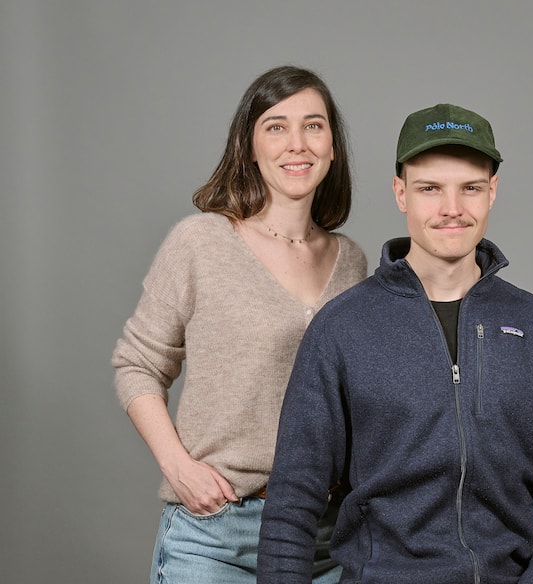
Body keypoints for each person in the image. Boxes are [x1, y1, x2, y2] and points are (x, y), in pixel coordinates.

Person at [258, 103, 533, 583]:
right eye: (430, 189)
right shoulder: (341, 329)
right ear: (400, 192)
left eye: (470, 188)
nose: (452, 208)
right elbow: (292, 503)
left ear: (493, 192)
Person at [112, 65, 367, 584]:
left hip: (323, 536)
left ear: (333, 147)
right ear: (249, 146)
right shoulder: (201, 243)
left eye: (313, 126)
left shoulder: (354, 263)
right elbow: (136, 365)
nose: (297, 144)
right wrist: (178, 468)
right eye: (276, 126)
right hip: (216, 535)